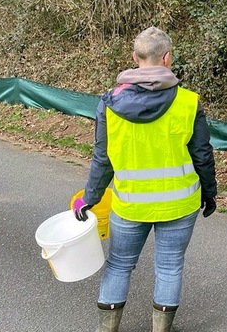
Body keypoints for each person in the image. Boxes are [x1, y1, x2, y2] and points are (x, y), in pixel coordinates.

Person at [71, 26, 218, 332]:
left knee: (119, 265)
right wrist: (209, 192)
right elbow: (202, 154)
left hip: (130, 205)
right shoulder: (188, 102)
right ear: (168, 57)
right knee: (169, 267)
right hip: (179, 204)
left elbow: (103, 158)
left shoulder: (109, 103)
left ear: (134, 57)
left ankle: (107, 329)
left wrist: (90, 198)